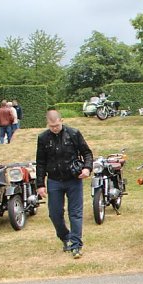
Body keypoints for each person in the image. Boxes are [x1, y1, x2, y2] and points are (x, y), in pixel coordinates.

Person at [36, 109, 94, 259]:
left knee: (75, 213)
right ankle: (65, 237)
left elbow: (87, 153)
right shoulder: (43, 138)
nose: (55, 128)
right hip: (54, 180)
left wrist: (87, 168)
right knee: (54, 213)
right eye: (51, 126)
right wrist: (40, 184)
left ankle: (76, 245)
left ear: (61, 121)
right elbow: (40, 162)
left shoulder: (73, 133)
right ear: (47, 124)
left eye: (57, 125)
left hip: (73, 179)